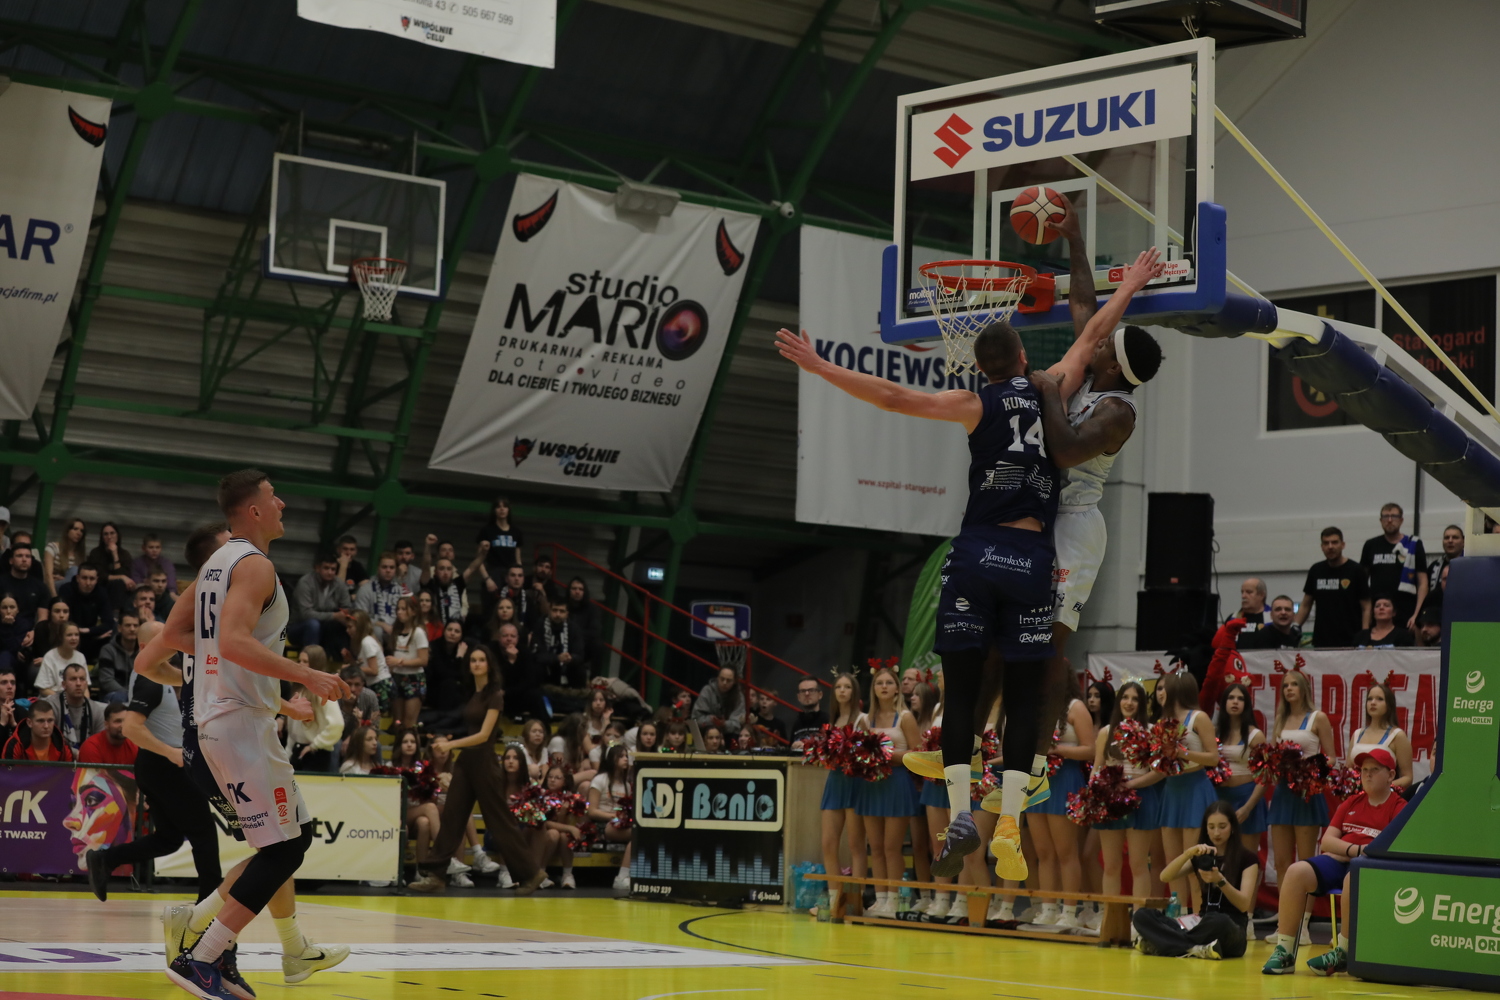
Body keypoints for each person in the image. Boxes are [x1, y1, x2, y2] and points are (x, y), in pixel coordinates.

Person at [782, 246, 1166, 883]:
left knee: (986, 676)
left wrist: (820, 365)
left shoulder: (982, 403)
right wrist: (1126, 282)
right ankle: (1006, 798)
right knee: (1016, 670)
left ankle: (986, 792)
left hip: (996, 544)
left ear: (980, 366)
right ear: (1023, 358)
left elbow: (892, 396)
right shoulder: (1054, 383)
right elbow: (1092, 329)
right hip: (1033, 549)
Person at [136, 470, 352, 999]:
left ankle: (228, 937)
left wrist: (225, 666)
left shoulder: (214, 565)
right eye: (273, 496)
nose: (282, 504)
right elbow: (232, 641)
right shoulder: (255, 565)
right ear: (254, 510)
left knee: (293, 837)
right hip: (238, 724)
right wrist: (305, 674)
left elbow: (173, 636)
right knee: (283, 849)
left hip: (222, 720)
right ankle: (201, 956)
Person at [85, 640, 221, 904]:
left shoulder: (157, 674)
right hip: (166, 765)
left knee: (169, 839)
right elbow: (130, 728)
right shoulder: (150, 680)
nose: (174, 641)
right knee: (203, 832)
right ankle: (210, 904)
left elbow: (184, 678)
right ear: (148, 645)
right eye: (166, 638)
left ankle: (106, 859)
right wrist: (170, 752)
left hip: (155, 765)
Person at [406, 645, 549, 894]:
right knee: (452, 817)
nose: (477, 664)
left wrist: (450, 744)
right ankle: (436, 875)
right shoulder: (474, 694)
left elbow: (483, 736)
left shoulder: (495, 695)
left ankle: (532, 873)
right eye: (473, 660)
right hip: (467, 762)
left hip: (484, 763)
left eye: (481, 660)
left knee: (499, 821)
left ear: (489, 665)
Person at [1263, 747, 1405, 976]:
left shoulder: (1399, 807)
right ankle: (1285, 952)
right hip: (1339, 861)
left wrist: (1350, 852)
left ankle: (1343, 952)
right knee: (1296, 871)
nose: (1367, 774)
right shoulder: (1351, 803)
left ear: (1390, 775)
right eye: (1364, 770)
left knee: (1353, 877)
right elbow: (1327, 842)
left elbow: (1387, 849)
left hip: (1369, 868)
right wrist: (1354, 850)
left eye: (1375, 770)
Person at [1134, 801, 1260, 959]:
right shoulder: (1202, 857)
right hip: (1200, 925)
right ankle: (1195, 948)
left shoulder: (1248, 859)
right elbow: (1165, 877)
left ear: (1232, 827)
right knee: (1142, 915)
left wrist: (1220, 881)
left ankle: (1167, 945)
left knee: (1217, 920)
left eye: (1222, 827)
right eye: (1211, 827)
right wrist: (1187, 854)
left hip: (1230, 929)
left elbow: (1244, 904)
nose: (1216, 832)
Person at [1266, 669, 1336, 938]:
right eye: (1285, 685)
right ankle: (1285, 926)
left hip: (1307, 794)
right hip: (1283, 794)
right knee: (1282, 862)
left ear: (1304, 689)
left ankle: (1303, 927)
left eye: (1294, 684)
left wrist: (1309, 771)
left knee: (1305, 864)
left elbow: (1331, 758)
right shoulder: (1281, 719)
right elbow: (1273, 756)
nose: (1289, 689)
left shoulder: (1318, 718)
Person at [853, 665, 922, 917]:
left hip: (897, 783)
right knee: (876, 847)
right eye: (879, 683)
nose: (884, 687)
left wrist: (887, 754)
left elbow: (918, 754)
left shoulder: (905, 717)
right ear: (873, 689)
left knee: (892, 847)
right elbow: (858, 752)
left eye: (889, 683)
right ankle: (880, 899)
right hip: (871, 784)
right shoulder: (864, 720)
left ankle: (894, 899)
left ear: (897, 690)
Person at [1025, 688, 1096, 928]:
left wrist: (1057, 750)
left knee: (1066, 852)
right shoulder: (1035, 707)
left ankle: (1070, 910)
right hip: (1037, 781)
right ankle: (1048, 909)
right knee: (1044, 852)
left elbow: (1090, 749)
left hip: (1065, 779)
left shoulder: (1075, 707)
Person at [1155, 673, 1222, 915]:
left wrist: (1183, 753)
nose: (1160, 692)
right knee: (1174, 863)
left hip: (1195, 789)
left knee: (1194, 863)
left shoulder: (1198, 717)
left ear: (1178, 689)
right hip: (1172, 790)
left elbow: (1213, 757)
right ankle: (1178, 914)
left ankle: (1198, 916)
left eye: (1165, 688)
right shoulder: (1163, 721)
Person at [1093, 680, 1164, 902]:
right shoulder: (1106, 732)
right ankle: (1111, 917)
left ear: (1143, 703)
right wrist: (1095, 791)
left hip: (1142, 797)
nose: (1129, 702)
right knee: (1111, 864)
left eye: (1135, 699)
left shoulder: (1152, 731)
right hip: (1110, 799)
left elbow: (1160, 771)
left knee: (1138, 864)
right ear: (1118, 701)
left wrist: (1132, 785)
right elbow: (1097, 767)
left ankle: (1139, 917)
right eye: (1125, 697)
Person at [817, 671, 867, 918]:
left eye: (847, 687)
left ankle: (856, 902)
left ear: (854, 691)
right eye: (838, 687)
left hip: (855, 782)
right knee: (828, 843)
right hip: (834, 782)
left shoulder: (862, 720)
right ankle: (834, 900)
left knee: (856, 845)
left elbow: (870, 753)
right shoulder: (832, 720)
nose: (842, 691)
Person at [1294, 527, 1371, 647]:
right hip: (1322, 641)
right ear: (1322, 547)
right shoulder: (1316, 570)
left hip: (1351, 641)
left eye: (1334, 542)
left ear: (1343, 545)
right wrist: (1295, 626)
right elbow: (1306, 605)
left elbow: (1366, 606)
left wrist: (1365, 633)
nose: (1330, 547)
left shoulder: (1356, 570)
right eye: (1326, 543)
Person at [1214, 682, 1267, 852]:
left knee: (1246, 859)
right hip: (1220, 798)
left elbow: (1265, 775)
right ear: (1224, 703)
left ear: (1247, 704)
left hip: (1246, 798)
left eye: (1240, 698)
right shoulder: (1215, 732)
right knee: (1220, 857)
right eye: (1231, 698)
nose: (1235, 702)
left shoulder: (1255, 735)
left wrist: (1248, 807)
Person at [1360, 503, 1427, 629]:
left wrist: (1416, 615)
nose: (1390, 520)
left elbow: (1423, 582)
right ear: (1381, 520)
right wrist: (1366, 615)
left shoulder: (1414, 544)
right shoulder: (1370, 545)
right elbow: (1362, 583)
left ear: (1401, 520)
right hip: (1378, 613)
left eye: (1394, 516)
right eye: (1386, 517)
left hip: (1406, 613)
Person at [286, 646, 343, 773]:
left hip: (316, 754)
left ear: (315, 664)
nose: (300, 665)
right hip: (297, 750)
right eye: (299, 661)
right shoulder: (298, 689)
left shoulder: (322, 691)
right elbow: (293, 729)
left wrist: (315, 745)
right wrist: (288, 752)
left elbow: (337, 724)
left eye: (305, 661)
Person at [1348, 681, 1413, 790]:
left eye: (1379, 699)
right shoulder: (1357, 734)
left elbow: (1408, 777)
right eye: (1370, 699)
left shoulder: (1397, 736)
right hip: (1356, 796)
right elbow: (1347, 769)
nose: (1373, 703)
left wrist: (1382, 789)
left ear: (1389, 705)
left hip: (1384, 797)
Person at [589, 742, 635, 891]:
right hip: (601, 825)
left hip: (619, 823)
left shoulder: (627, 784)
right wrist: (613, 816)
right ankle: (622, 878)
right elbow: (592, 811)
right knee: (638, 835)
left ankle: (626, 875)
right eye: (621, 756)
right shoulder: (599, 780)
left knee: (640, 836)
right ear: (611, 759)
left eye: (626, 756)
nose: (626, 759)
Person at [289, 552, 353, 654]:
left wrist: (345, 615)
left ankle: (341, 659)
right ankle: (311, 659)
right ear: (317, 568)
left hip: (326, 625)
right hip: (299, 626)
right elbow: (306, 614)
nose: (330, 572)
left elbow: (347, 607)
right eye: (326, 568)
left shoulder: (339, 584)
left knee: (346, 626)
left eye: (333, 569)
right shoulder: (305, 583)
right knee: (313, 624)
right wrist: (335, 616)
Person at [533, 601, 588, 712]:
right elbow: (537, 655)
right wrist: (556, 658)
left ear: (567, 614)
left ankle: (577, 704)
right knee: (536, 668)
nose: (558, 614)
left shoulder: (574, 628)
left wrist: (570, 658)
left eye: (562, 611)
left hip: (567, 666)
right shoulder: (540, 626)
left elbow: (580, 655)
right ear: (549, 611)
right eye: (555, 610)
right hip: (547, 667)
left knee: (579, 669)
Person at [386, 596, 429, 730]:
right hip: (397, 677)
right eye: (398, 609)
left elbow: (423, 660)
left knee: (409, 723)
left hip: (414, 679)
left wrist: (399, 662)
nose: (400, 612)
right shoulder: (396, 631)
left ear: (414, 611)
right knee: (397, 722)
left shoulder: (418, 632)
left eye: (404, 609)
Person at [44, 662, 106, 754]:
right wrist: (74, 753)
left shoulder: (96, 710)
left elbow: (100, 744)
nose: (78, 683)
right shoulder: (51, 706)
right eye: (73, 679)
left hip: (87, 757)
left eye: (82, 679)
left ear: (86, 684)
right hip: (57, 757)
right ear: (64, 684)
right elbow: (46, 740)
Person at [57, 563, 115, 661]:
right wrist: (89, 633)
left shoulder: (101, 592)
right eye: (84, 578)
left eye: (92, 579)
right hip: (70, 634)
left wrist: (89, 630)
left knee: (112, 633)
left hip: (90, 634)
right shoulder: (66, 590)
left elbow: (109, 623)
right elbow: (63, 619)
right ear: (77, 578)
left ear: (97, 580)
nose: (88, 583)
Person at [355, 552, 409, 641]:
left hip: (396, 628)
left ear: (396, 570)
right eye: (384, 567)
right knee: (377, 630)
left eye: (392, 567)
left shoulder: (401, 591)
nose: (388, 570)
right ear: (378, 568)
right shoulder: (365, 589)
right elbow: (360, 618)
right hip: (373, 630)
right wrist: (382, 625)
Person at [345, 610, 391, 715]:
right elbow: (365, 665)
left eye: (350, 627)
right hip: (375, 684)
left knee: (376, 718)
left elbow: (374, 670)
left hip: (381, 685)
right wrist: (351, 661)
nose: (347, 631)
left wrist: (350, 668)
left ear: (360, 627)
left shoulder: (367, 642)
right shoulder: (364, 642)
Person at [1, 697, 72, 760]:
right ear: (29, 723)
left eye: (50, 720)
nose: (46, 726)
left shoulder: (63, 746)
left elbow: (71, 771)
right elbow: (7, 771)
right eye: (41, 721)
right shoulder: (15, 745)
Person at [87, 521, 136, 612]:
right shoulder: (95, 553)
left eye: (112, 533)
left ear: (117, 535)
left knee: (119, 585)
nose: (109, 537)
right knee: (117, 583)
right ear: (102, 537)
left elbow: (126, 576)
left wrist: (115, 554)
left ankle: (118, 615)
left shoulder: (124, 554)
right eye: (106, 534)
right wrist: (122, 577)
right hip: (100, 586)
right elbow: (100, 576)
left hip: (119, 589)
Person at [3, 543, 51, 626]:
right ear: (11, 561)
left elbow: (43, 618)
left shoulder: (40, 587)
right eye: (19, 556)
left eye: (28, 556)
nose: (24, 559)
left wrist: (35, 631)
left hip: (29, 630)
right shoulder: (1, 582)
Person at [693, 666, 745, 737]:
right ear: (717, 678)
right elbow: (695, 719)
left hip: (729, 735)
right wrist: (710, 720)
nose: (724, 683)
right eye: (722, 679)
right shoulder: (707, 691)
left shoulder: (739, 697)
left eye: (728, 680)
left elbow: (738, 724)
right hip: (707, 733)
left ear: (734, 681)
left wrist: (725, 724)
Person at [1424, 524, 1463, 617]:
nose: (1450, 541)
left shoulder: (1470, 566)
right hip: (1436, 616)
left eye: (1455, 537)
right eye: (1446, 538)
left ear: (1463, 542)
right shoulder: (1434, 567)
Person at [1237, 595, 1301, 650]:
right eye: (1278, 609)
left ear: (1294, 615)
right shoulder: (1263, 636)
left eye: (1287, 609)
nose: (1283, 612)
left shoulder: (1296, 635)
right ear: (1271, 615)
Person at [44, 516, 88, 595]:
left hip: (71, 588)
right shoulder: (53, 547)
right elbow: (48, 575)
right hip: (53, 586)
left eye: (82, 531)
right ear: (67, 531)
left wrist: (65, 579)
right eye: (75, 529)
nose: (79, 533)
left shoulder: (81, 554)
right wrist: (54, 597)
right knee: (74, 570)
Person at [790, 676, 829, 748]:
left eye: (811, 690)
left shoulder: (828, 721)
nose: (807, 693)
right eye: (803, 691)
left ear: (820, 695)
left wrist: (807, 746)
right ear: (799, 697)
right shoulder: (796, 724)